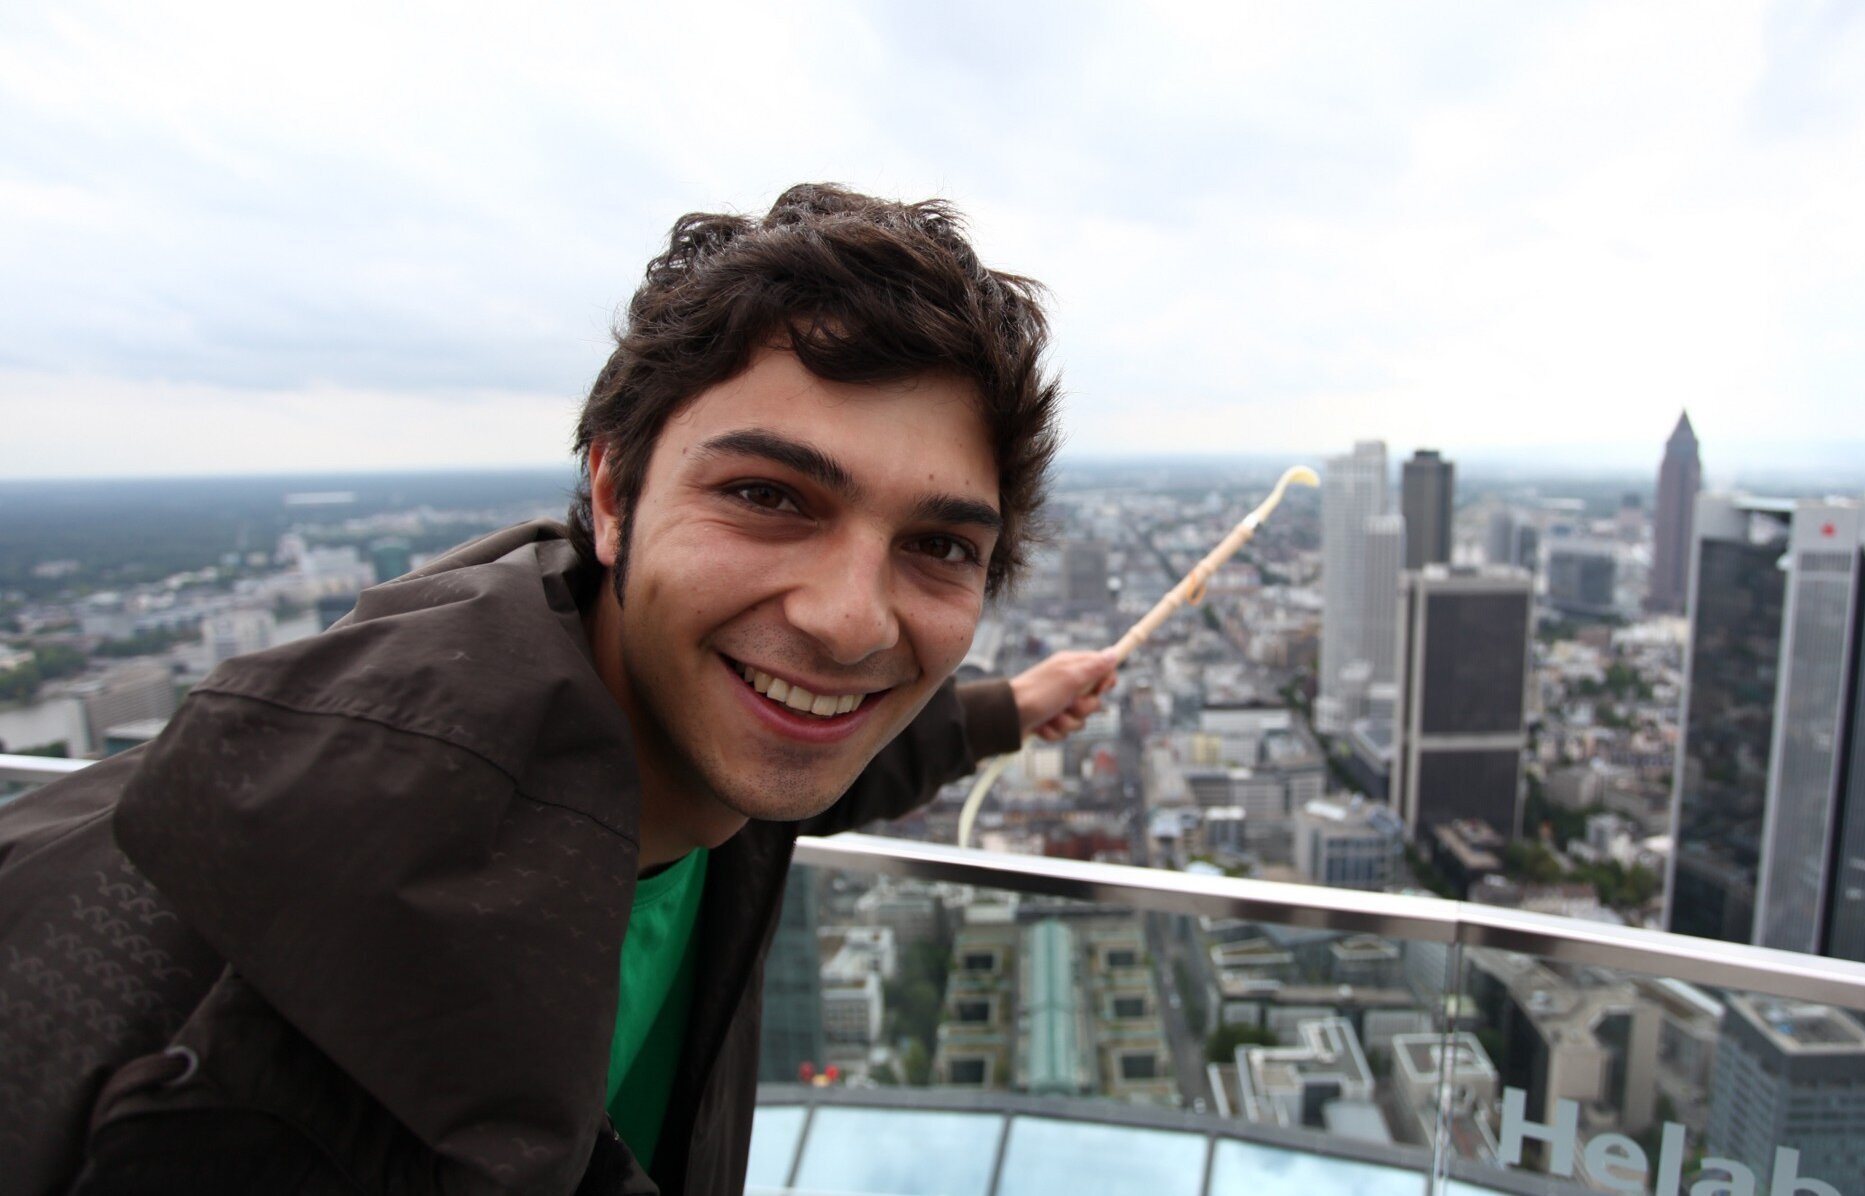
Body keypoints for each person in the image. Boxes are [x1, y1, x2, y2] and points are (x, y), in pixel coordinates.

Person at [0, 184, 1117, 1195]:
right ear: (614, 495)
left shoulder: (688, 735)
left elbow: (820, 757)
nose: (849, 621)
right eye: (768, 497)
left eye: (938, 545)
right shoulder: (268, 953)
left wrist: (1009, 707)